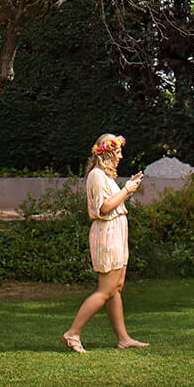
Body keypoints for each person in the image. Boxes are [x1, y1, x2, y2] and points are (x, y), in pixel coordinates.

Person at [62, 134, 147, 352]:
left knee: (116, 288)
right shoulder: (97, 176)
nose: (120, 156)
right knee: (105, 290)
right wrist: (127, 190)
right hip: (107, 234)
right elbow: (104, 208)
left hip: (117, 232)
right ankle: (72, 333)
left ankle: (123, 338)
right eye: (117, 152)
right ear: (107, 153)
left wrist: (129, 186)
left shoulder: (106, 176)